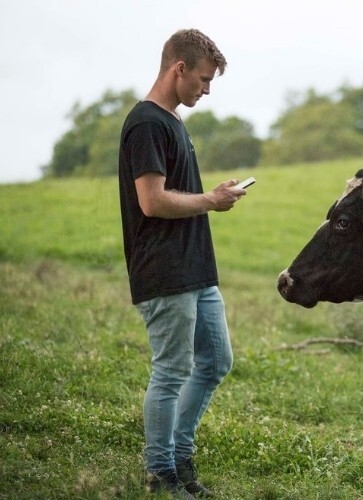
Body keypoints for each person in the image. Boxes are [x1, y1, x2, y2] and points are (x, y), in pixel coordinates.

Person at [118, 29, 245, 497]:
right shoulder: (147, 123)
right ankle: (161, 472)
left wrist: (213, 194)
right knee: (171, 369)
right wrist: (211, 201)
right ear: (179, 69)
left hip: (196, 269)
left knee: (214, 361)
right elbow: (151, 202)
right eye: (204, 80)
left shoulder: (172, 121)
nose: (206, 89)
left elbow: (175, 193)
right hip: (166, 272)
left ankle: (179, 456)